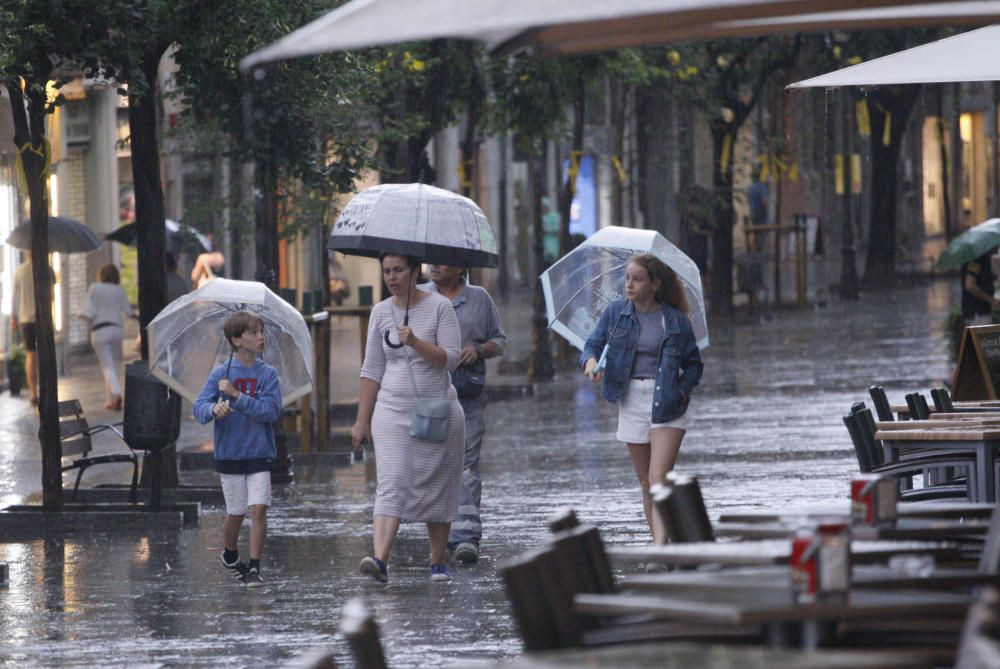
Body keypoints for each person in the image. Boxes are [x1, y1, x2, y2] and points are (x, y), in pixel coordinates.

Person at [351, 253, 465, 583]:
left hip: (435, 409)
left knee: (437, 484)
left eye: (399, 270)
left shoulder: (440, 307)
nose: (392, 277)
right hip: (391, 411)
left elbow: (451, 359)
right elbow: (371, 369)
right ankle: (380, 560)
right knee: (392, 480)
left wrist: (416, 342)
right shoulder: (380, 312)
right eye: (386, 271)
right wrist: (362, 419)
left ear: (416, 271)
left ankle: (437, 559)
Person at [581, 253, 703, 546]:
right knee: (647, 483)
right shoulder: (616, 313)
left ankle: (660, 550)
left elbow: (694, 364)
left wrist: (681, 390)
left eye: (637, 279)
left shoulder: (675, 320)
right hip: (631, 398)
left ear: (655, 284)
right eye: (627, 279)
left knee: (659, 476)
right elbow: (592, 345)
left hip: (667, 401)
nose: (629, 285)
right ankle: (663, 540)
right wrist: (590, 363)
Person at [421, 265, 507, 565]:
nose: (435, 266)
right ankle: (440, 538)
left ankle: (466, 537)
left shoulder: (480, 298)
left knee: (466, 465)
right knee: (433, 466)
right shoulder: (420, 297)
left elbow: (499, 341)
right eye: (432, 260)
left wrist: (479, 350)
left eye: (443, 260)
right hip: (428, 395)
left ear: (459, 266)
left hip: (468, 395)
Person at [193, 311, 282, 588]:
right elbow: (199, 408)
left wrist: (237, 396)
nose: (260, 337)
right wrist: (213, 408)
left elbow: (270, 411)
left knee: (258, 509)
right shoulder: (221, 374)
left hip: (259, 453)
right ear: (236, 340)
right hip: (230, 453)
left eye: (261, 331)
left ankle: (255, 567)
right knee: (236, 512)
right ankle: (230, 553)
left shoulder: (268, 375)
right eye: (253, 332)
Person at [78, 264, 134, 411]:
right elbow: (128, 312)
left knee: (106, 365)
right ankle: (110, 401)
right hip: (117, 330)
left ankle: (116, 393)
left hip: (100, 330)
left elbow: (87, 308)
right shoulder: (119, 290)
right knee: (113, 365)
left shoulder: (95, 288)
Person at [12, 251, 54, 407]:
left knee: (31, 354)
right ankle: (47, 389)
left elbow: (14, 297)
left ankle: (32, 393)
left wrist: (14, 318)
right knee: (45, 353)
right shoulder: (47, 269)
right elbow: (52, 295)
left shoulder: (19, 271)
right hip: (43, 317)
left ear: (25, 252)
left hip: (25, 319)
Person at [961, 250, 999, 326]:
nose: (998, 247)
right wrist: (992, 300)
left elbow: (981, 279)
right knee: (982, 336)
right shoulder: (977, 259)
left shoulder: (984, 258)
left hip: (979, 312)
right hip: (977, 313)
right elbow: (970, 285)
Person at [745, 171, 768, 253]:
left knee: (755, 231)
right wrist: (767, 210)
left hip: (752, 211)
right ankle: (759, 250)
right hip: (760, 211)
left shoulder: (749, 188)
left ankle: (754, 249)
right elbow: (764, 200)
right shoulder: (762, 187)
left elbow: (748, 201)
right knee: (762, 230)